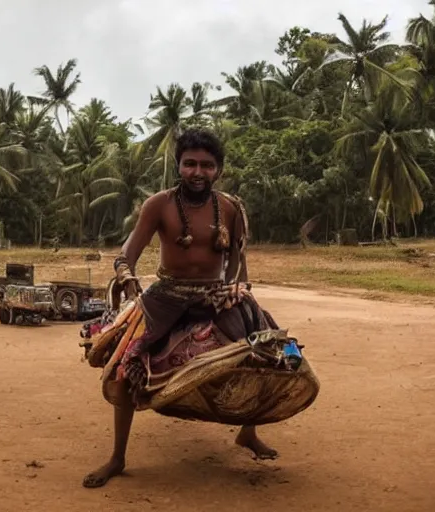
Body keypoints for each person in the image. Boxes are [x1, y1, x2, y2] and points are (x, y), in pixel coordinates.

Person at [82, 128, 300, 489]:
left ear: (219, 170)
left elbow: (237, 262)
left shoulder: (231, 208)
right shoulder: (159, 205)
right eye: (190, 164)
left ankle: (248, 431)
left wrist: (237, 291)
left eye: (207, 165)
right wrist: (126, 276)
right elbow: (127, 253)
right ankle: (117, 458)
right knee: (125, 367)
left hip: (216, 296)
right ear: (178, 165)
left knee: (265, 356)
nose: (198, 172)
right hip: (166, 295)